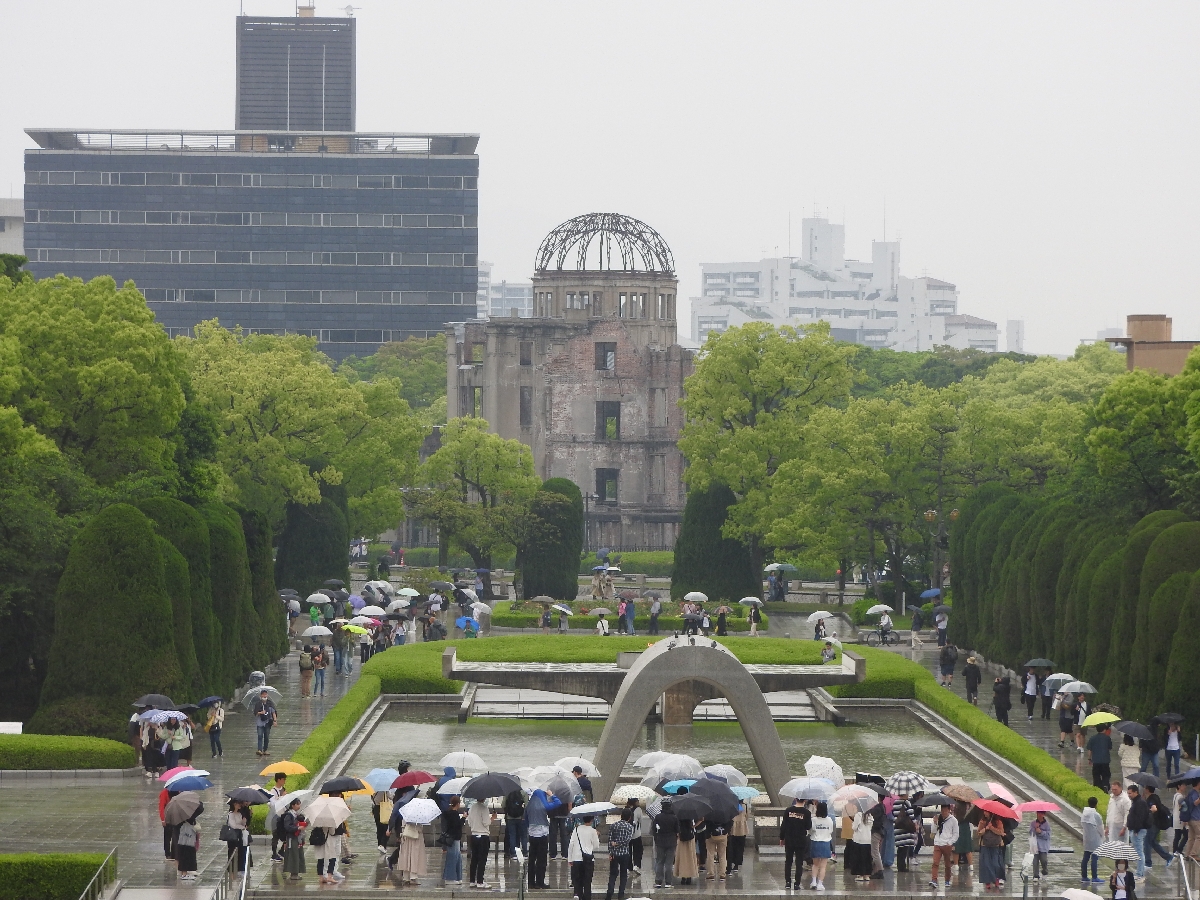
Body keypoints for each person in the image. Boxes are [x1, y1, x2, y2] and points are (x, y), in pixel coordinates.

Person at [605, 807, 635, 900]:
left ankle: (609, 893)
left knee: (613, 874)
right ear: (629, 817)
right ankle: (621, 894)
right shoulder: (630, 827)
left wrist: (611, 851)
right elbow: (627, 840)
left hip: (614, 853)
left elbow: (609, 839)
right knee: (623, 874)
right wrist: (619, 843)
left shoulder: (614, 825)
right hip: (625, 853)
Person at [929, 802, 959, 889]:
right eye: (942, 811)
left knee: (947, 864)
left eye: (945, 811)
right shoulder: (938, 818)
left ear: (949, 810)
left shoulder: (953, 820)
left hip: (947, 844)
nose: (944, 813)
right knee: (935, 862)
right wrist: (935, 823)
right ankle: (934, 880)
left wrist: (950, 842)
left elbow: (956, 834)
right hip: (938, 843)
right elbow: (933, 831)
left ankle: (947, 880)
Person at [569, 814, 600, 900]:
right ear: (592, 820)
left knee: (577, 879)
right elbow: (596, 846)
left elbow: (571, 844)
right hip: (589, 859)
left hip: (577, 858)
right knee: (587, 881)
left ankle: (578, 895)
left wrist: (570, 858)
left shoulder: (576, 829)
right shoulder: (593, 831)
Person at [396, 805, 428, 885]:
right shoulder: (419, 817)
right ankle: (413, 876)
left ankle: (406, 876)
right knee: (414, 856)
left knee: (406, 856)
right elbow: (419, 829)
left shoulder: (406, 815)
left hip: (406, 837)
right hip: (416, 839)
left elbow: (403, 826)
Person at [524, 790, 549, 888]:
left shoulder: (529, 805)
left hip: (532, 834)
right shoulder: (543, 805)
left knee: (532, 859)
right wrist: (552, 795)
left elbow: (526, 819)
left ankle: (531, 882)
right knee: (541, 859)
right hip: (542, 834)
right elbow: (557, 803)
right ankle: (540, 882)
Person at [467, 797, 494, 888]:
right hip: (483, 836)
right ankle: (480, 881)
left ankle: (472, 880)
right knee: (482, 859)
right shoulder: (484, 808)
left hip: (474, 835)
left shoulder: (472, 808)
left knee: (474, 859)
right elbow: (486, 822)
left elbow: (469, 823)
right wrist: (493, 818)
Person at [652, 799, 679, 888]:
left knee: (659, 861)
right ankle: (668, 882)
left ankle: (658, 881)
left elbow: (654, 829)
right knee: (669, 863)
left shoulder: (658, 817)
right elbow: (677, 830)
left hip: (660, 841)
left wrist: (656, 838)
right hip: (671, 841)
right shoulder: (674, 817)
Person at [806, 800, 833, 890]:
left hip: (815, 842)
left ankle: (813, 881)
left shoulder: (814, 820)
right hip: (825, 843)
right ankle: (820, 884)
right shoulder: (829, 820)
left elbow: (810, 831)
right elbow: (831, 831)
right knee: (823, 865)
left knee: (815, 864)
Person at [1144, 784, 1172, 869]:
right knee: (1153, 842)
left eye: (1145, 788)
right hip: (1157, 823)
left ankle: (1148, 863)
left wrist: (1147, 811)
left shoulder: (1151, 799)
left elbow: (1154, 809)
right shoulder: (1155, 797)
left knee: (1147, 842)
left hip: (1153, 823)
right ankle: (1168, 857)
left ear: (1147, 789)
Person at [440, 796, 465, 885]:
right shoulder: (454, 814)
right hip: (454, 838)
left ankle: (457, 877)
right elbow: (457, 826)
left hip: (451, 838)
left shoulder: (448, 813)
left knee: (456, 857)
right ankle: (450, 878)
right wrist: (463, 818)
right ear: (457, 804)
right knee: (453, 857)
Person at [977, 812, 1005, 890]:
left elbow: (1001, 832)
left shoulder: (998, 822)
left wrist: (992, 827)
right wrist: (986, 828)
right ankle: (988, 881)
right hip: (985, 845)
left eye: (986, 811)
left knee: (996, 864)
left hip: (995, 845)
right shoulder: (982, 821)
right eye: (984, 811)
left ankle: (996, 878)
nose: (984, 813)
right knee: (986, 864)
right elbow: (978, 833)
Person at [280, 797, 306, 880]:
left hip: (297, 838)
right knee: (293, 855)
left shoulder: (296, 814)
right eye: (297, 804)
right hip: (292, 838)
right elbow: (287, 827)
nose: (299, 806)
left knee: (297, 854)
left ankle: (296, 872)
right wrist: (297, 828)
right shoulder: (289, 815)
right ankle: (293, 873)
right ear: (292, 805)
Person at [175, 807, 203, 882]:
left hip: (184, 839)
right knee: (186, 855)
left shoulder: (182, 814)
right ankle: (184, 874)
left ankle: (184, 873)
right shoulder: (189, 815)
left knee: (184, 854)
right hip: (187, 839)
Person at [266, 772, 289, 861]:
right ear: (279, 780)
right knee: (275, 835)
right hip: (275, 816)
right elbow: (272, 804)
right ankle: (274, 854)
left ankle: (282, 851)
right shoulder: (273, 791)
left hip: (283, 815)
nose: (284, 781)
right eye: (283, 779)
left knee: (287, 834)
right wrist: (281, 797)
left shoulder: (283, 789)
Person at [1082, 796, 1104, 884]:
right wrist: (1103, 836)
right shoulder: (1096, 815)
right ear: (1096, 804)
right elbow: (1100, 828)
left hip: (1087, 838)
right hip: (1095, 839)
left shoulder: (1084, 814)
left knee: (1085, 857)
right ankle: (1094, 877)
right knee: (1094, 858)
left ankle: (1084, 876)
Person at [226, 799, 252, 873]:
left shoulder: (239, 814)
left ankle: (241, 869)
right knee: (232, 852)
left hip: (240, 835)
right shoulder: (230, 814)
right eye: (238, 804)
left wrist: (245, 820)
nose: (240, 805)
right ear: (234, 804)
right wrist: (242, 827)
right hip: (233, 836)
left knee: (241, 851)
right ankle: (231, 869)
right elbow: (233, 825)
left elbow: (242, 824)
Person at [849, 806, 874, 883]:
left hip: (859, 840)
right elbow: (871, 827)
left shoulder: (858, 815)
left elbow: (854, 827)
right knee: (867, 858)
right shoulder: (870, 816)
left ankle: (860, 875)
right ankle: (867, 875)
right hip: (868, 839)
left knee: (859, 858)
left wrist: (853, 822)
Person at [251, 689, 277, 757]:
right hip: (260, 723)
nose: (264, 696)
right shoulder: (258, 704)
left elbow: (273, 712)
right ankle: (259, 750)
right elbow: (255, 713)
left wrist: (275, 720)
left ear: (267, 695)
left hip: (267, 723)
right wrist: (260, 712)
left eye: (265, 694)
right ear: (260, 695)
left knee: (266, 737)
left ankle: (265, 750)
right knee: (260, 736)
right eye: (263, 694)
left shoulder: (270, 703)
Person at [675, 813, 698, 885]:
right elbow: (701, 819)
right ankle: (689, 876)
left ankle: (683, 876)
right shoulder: (691, 814)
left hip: (681, 837)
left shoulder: (678, 814)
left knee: (682, 857)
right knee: (690, 857)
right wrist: (693, 826)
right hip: (690, 837)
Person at [505, 788, 528, 861]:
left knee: (512, 836)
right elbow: (527, 805)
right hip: (521, 818)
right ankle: (525, 853)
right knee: (523, 836)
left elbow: (503, 805)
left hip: (510, 818)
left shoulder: (507, 792)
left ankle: (513, 854)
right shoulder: (523, 793)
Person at [895, 804, 918, 874]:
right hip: (906, 829)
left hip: (897, 828)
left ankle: (900, 866)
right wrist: (916, 824)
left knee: (900, 849)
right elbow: (911, 816)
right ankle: (902, 867)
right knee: (904, 849)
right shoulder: (906, 803)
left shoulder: (895, 803)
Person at [706, 813, 729, 882]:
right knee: (722, 855)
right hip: (723, 836)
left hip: (711, 836)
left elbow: (706, 823)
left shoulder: (709, 812)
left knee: (710, 854)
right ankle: (722, 874)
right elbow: (730, 823)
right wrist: (726, 831)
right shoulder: (726, 813)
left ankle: (711, 874)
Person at [1028, 810, 1050, 880]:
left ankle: (1044, 871)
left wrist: (1041, 832)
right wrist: (1034, 829)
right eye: (1038, 813)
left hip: (1043, 846)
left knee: (1044, 860)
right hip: (1035, 845)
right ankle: (1036, 876)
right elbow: (1030, 833)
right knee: (1035, 861)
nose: (1039, 815)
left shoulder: (1047, 824)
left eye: (1041, 814)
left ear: (1044, 815)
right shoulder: (1033, 823)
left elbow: (1048, 835)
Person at [728, 802, 748, 875]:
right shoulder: (744, 805)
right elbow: (747, 816)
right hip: (742, 828)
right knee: (740, 847)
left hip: (733, 828)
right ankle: (737, 864)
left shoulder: (731, 804)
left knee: (731, 847)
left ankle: (730, 864)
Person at [1172, 782, 1189, 857]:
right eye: (1183, 785)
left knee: (1177, 836)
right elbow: (1183, 808)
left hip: (1175, 818)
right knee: (1186, 835)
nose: (1185, 786)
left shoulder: (1175, 795)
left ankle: (1175, 850)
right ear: (1179, 786)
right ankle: (1178, 850)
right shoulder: (1180, 797)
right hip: (1180, 819)